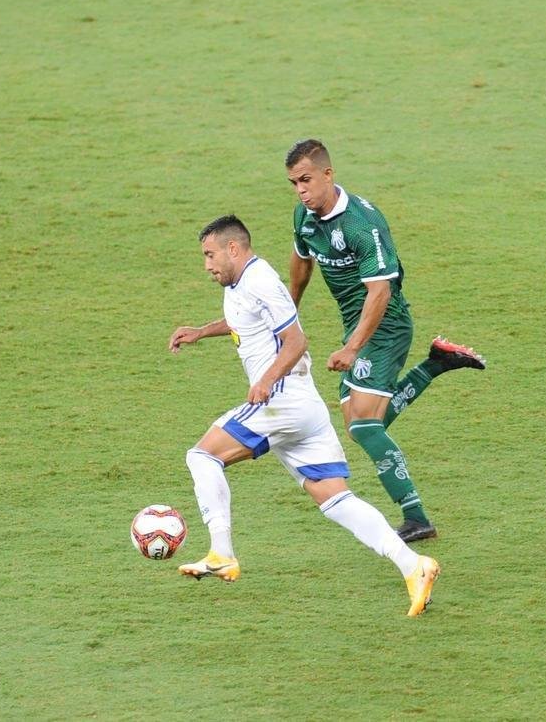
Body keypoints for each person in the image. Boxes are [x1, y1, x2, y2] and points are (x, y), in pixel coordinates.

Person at [169, 215, 440, 617]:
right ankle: (414, 566)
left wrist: (266, 381)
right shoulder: (241, 284)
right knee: (336, 500)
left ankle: (221, 552)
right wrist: (201, 331)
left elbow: (296, 341)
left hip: (281, 400)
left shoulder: (260, 280)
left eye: (210, 255)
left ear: (233, 249)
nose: (207, 265)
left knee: (202, 456)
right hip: (303, 407)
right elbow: (245, 320)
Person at [285, 139, 486, 543]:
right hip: (356, 324)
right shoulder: (304, 216)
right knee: (360, 424)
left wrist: (352, 348)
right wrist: (289, 314)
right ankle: (436, 364)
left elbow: (380, 292)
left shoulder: (363, 224)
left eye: (306, 180)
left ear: (328, 174)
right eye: (294, 183)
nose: (301, 190)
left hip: (386, 325)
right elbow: (301, 262)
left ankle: (416, 517)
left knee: (363, 427)